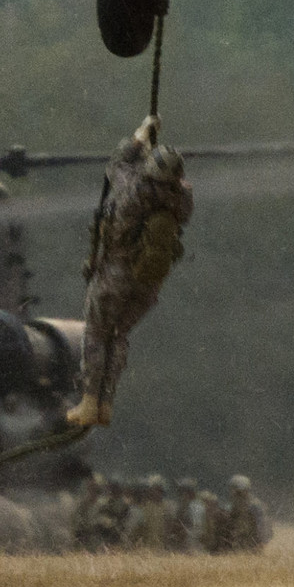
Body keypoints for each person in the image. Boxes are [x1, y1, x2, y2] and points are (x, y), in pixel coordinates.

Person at [67, 116, 194, 428]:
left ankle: (89, 402)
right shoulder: (183, 198)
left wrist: (139, 139)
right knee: (119, 336)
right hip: (148, 282)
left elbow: (117, 164)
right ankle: (106, 403)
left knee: (96, 334)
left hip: (116, 276)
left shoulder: (133, 190)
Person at [214, 474, 275, 553]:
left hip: (252, 545)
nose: (234, 493)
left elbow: (262, 524)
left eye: (238, 491)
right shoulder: (229, 505)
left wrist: (262, 542)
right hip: (234, 544)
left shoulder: (255, 506)